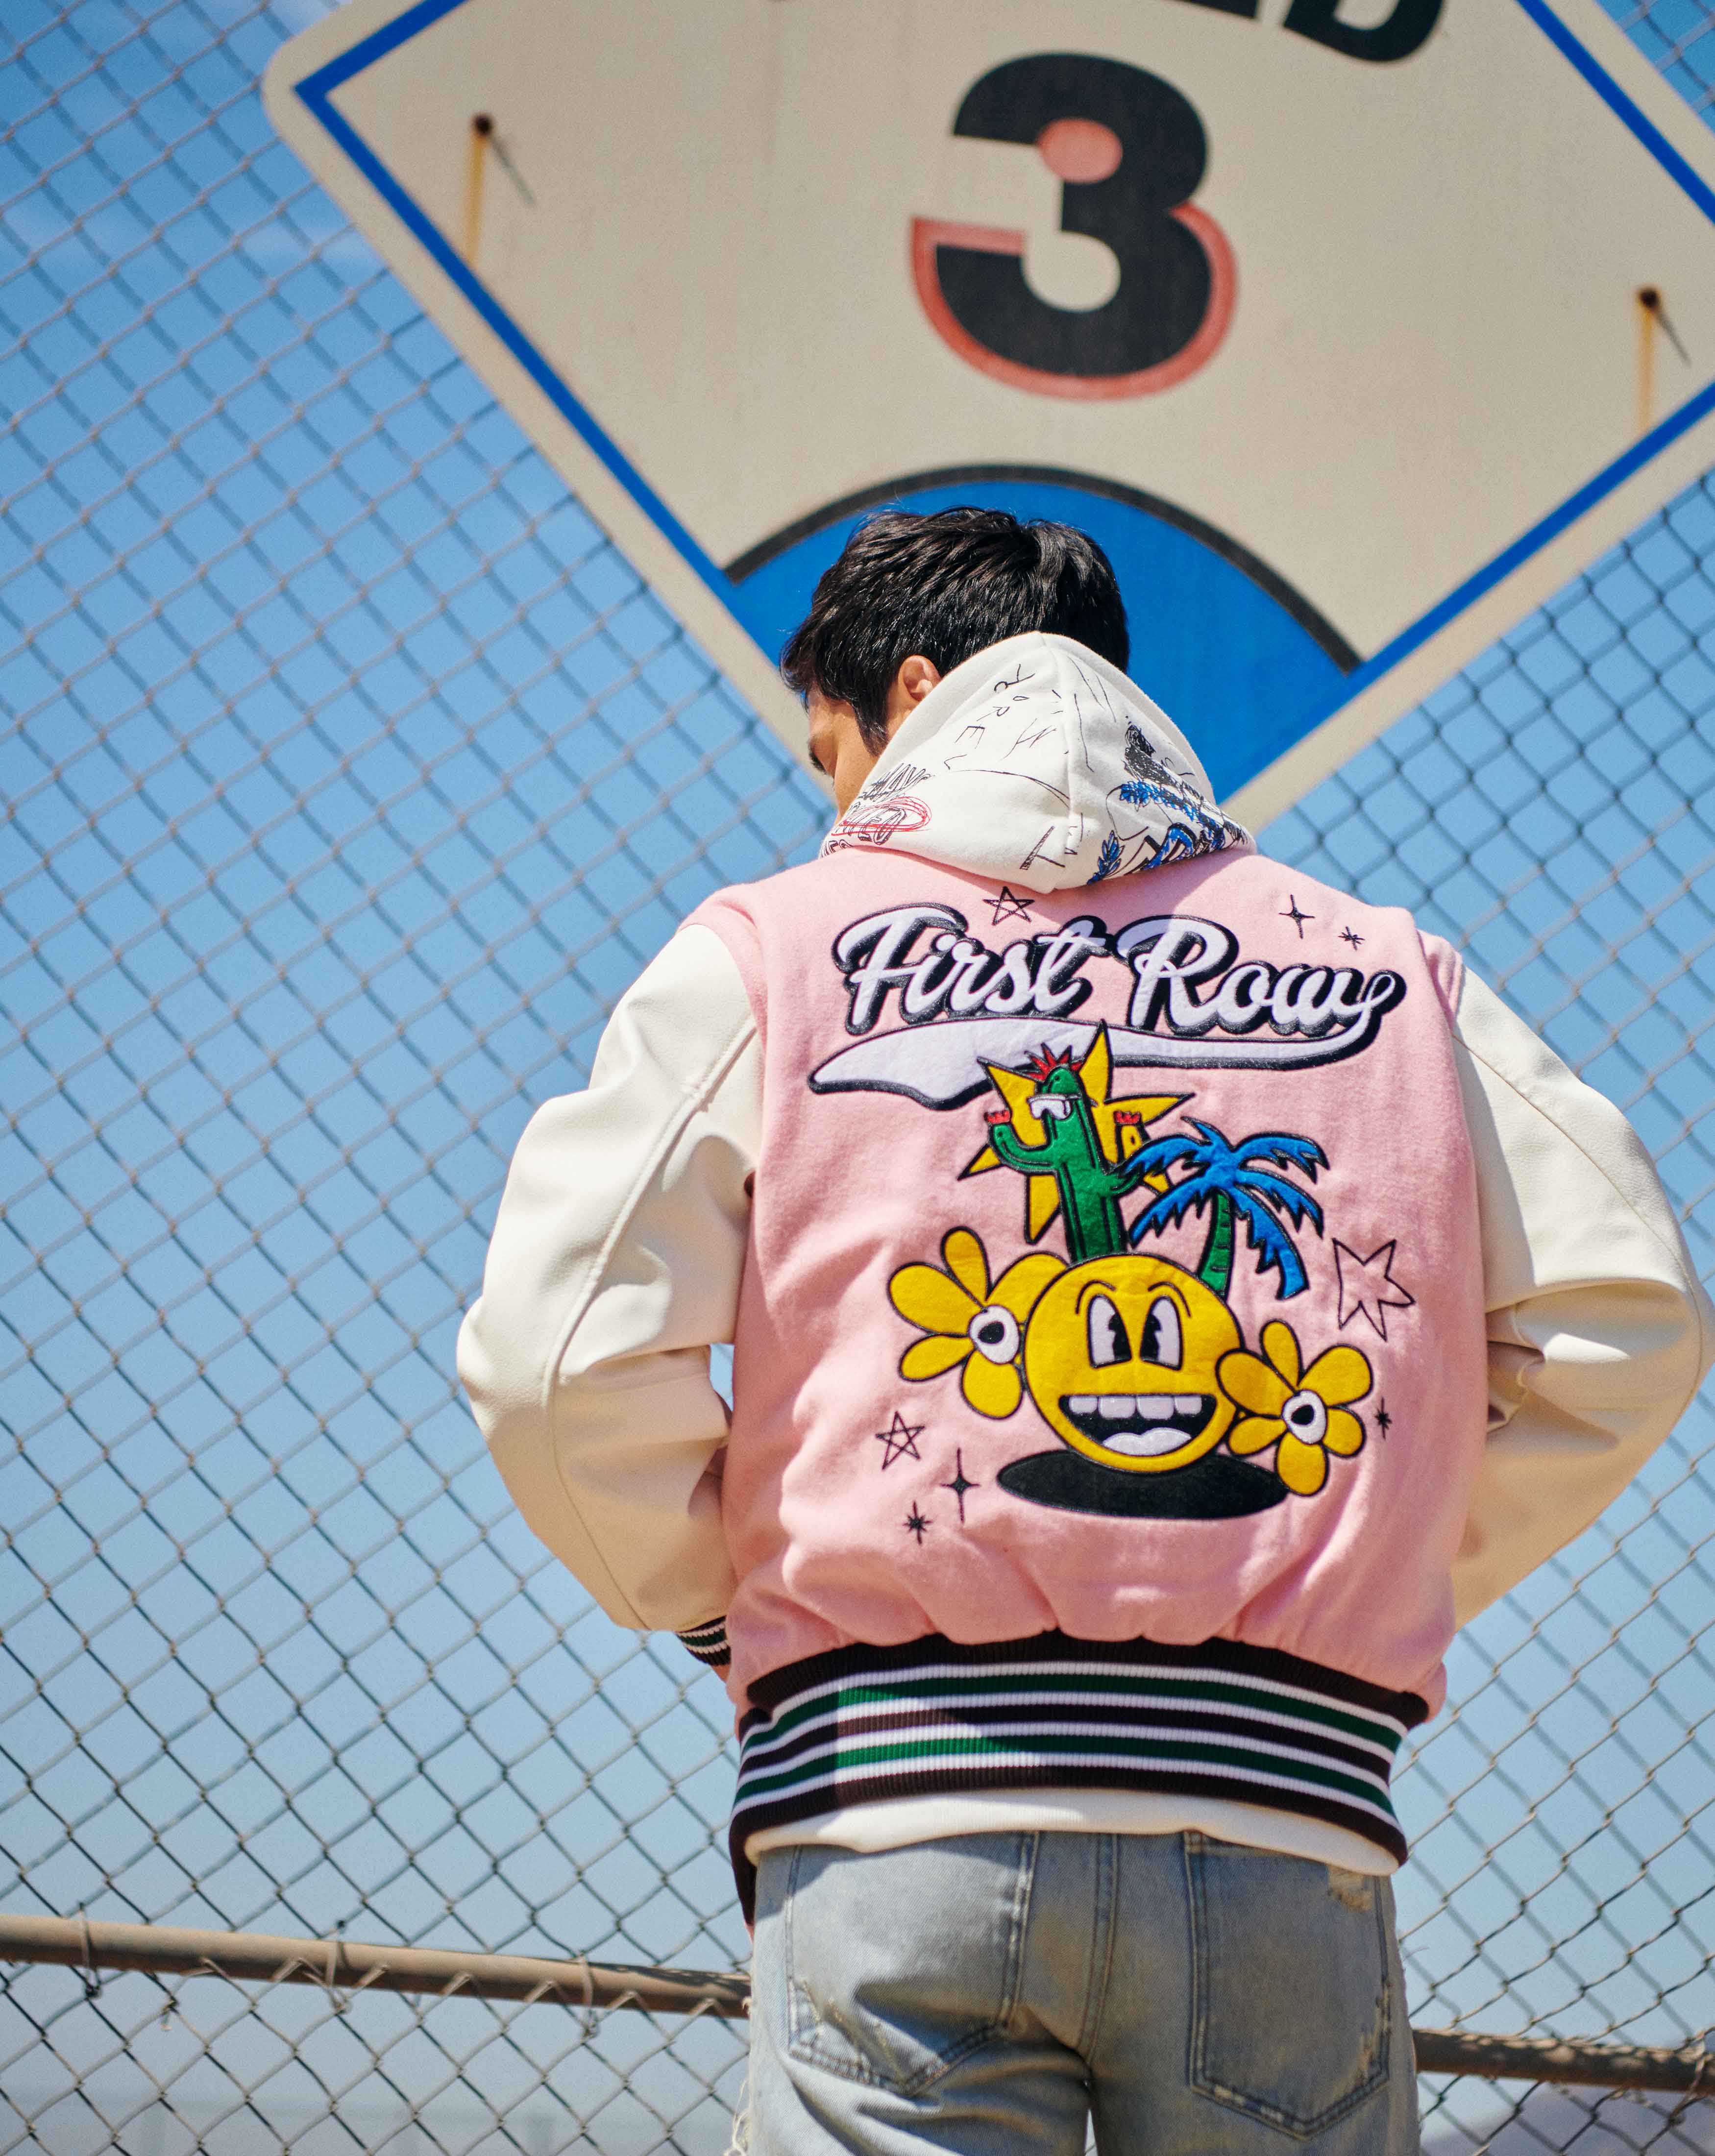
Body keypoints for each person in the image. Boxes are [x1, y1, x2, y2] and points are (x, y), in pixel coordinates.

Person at [458, 508, 1711, 2156]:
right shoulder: (1389, 971)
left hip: (894, 1818)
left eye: (826, 752)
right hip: (1284, 1827)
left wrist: (707, 1597)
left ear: (910, 697)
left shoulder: (770, 949)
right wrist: (1353, 1564)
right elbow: (1629, 1316)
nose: (830, 803)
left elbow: (555, 1360)